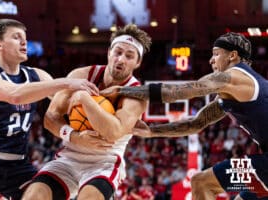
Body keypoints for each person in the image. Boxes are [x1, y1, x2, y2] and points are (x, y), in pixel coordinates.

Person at [101, 32, 268, 200]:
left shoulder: (231, 77)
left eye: (216, 54)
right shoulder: (235, 90)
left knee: (202, 183)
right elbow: (196, 123)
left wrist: (123, 90)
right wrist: (152, 131)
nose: (211, 60)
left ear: (232, 55)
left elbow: (178, 91)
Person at [0, 18, 99, 200]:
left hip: (18, 165)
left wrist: (102, 108)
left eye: (25, 37)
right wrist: (66, 82)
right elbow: (14, 94)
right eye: (16, 37)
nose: (24, 42)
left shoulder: (37, 75)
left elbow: (65, 103)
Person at [22, 24, 151, 200]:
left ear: (138, 62)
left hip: (104, 162)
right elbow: (50, 119)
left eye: (129, 56)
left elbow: (113, 132)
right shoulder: (81, 74)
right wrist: (75, 137)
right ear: (109, 53)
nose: (121, 59)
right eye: (118, 52)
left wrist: (84, 98)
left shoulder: (137, 94)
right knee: (33, 196)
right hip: (69, 156)